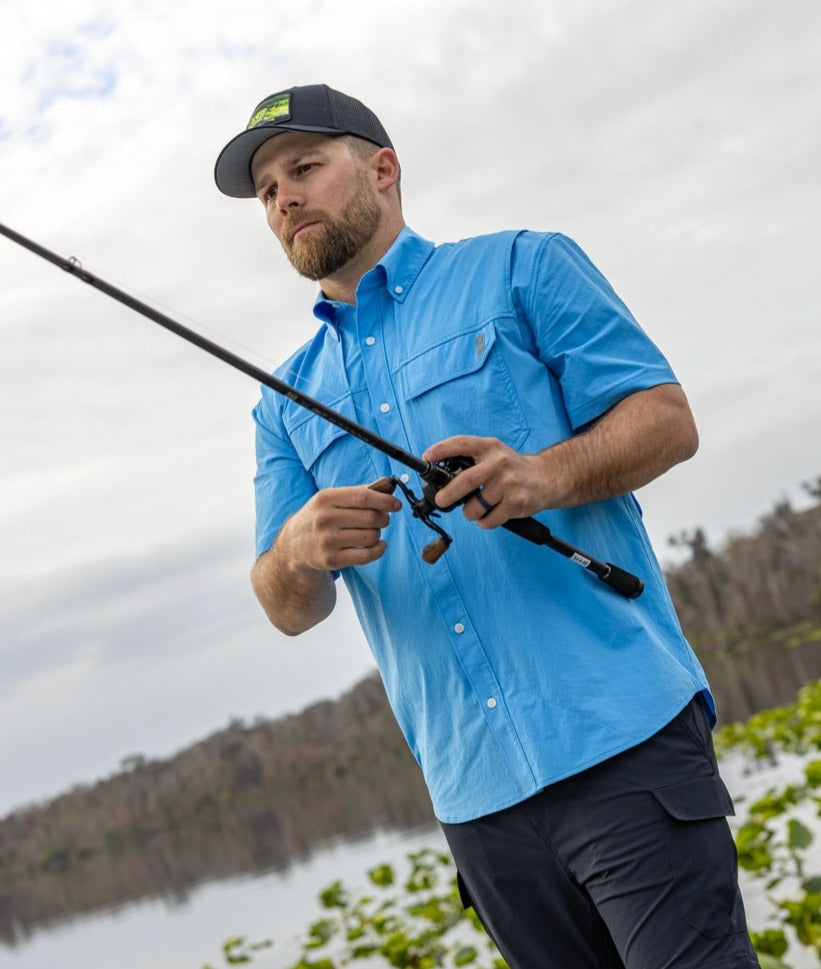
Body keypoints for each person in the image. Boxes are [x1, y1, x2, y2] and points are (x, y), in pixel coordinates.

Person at [214, 83, 760, 969]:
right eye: (268, 189)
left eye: (304, 168)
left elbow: (666, 417)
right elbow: (284, 604)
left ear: (382, 170)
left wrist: (542, 473)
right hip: (477, 802)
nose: (284, 198)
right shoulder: (284, 403)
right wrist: (297, 551)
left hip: (621, 741)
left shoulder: (524, 265)